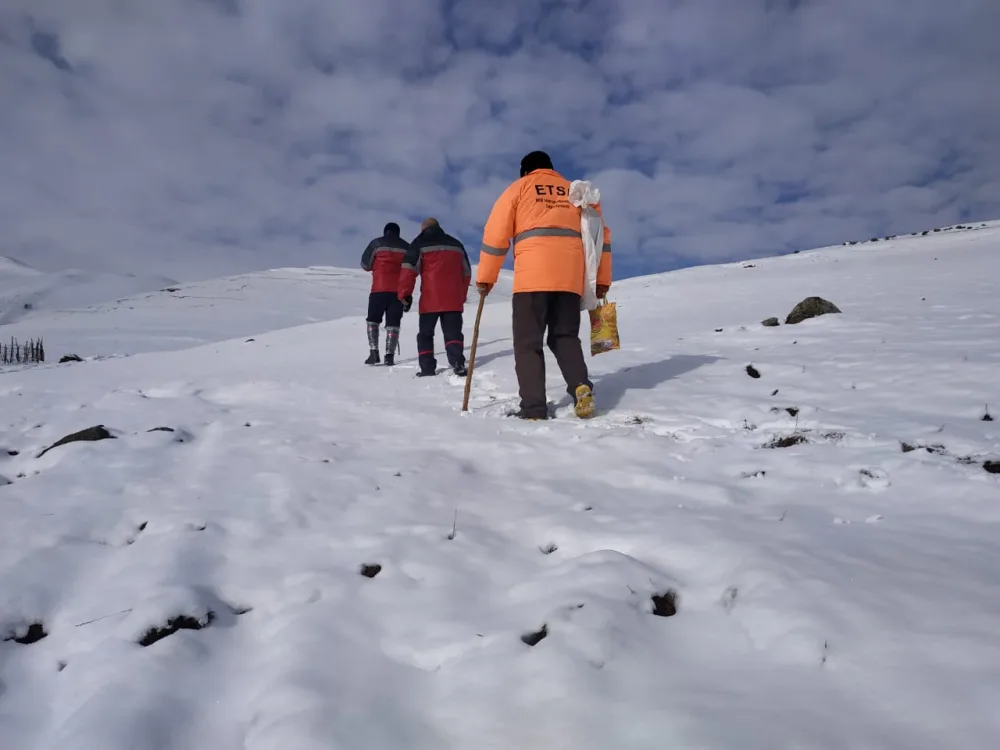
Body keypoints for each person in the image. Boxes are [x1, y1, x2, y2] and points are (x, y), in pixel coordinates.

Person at [475, 150, 612, 420]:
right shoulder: (577, 191)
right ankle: (580, 386)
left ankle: (534, 408)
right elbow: (601, 238)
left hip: (532, 279)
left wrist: (485, 278)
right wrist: (602, 281)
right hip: (571, 281)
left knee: (528, 344)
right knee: (565, 337)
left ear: (525, 171)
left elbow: (496, 235)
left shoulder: (519, 188)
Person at [398, 217, 472, 377]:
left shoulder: (419, 243)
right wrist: (462, 294)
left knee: (425, 334)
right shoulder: (456, 244)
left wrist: (404, 293)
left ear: (423, 228)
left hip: (430, 299)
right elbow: (466, 272)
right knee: (453, 333)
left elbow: (408, 270)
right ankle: (458, 363)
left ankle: (427, 368)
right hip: (453, 298)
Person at [360, 222, 410, 366]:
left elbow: (365, 265)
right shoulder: (407, 247)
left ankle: (373, 352)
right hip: (398, 292)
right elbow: (411, 269)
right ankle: (389, 356)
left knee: (373, 320)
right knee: (393, 324)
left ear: (385, 231)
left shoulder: (376, 244)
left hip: (378, 290)